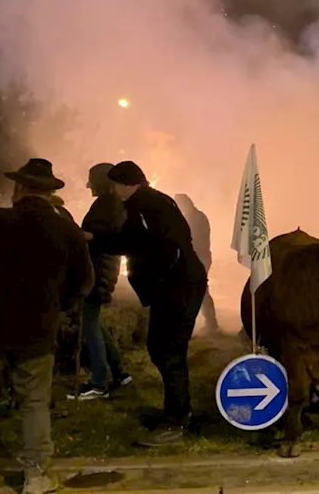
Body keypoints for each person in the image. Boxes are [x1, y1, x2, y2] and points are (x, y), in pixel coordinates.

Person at [0, 159, 93, 494]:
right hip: (38, 332)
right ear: (50, 192)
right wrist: (58, 306)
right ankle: (36, 477)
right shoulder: (65, 229)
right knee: (34, 404)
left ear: (19, 188)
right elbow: (84, 282)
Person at [108, 161, 209, 446]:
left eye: (115, 185)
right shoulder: (144, 205)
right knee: (160, 347)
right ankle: (177, 410)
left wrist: (158, 279)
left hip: (179, 286)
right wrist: (93, 240)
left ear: (127, 183)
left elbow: (169, 245)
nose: (113, 191)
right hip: (176, 285)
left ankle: (176, 420)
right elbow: (129, 241)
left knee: (168, 349)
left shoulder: (149, 205)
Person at [71, 164, 132, 400]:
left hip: (97, 272)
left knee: (90, 323)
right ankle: (120, 372)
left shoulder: (108, 204)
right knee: (94, 320)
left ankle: (98, 383)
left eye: (91, 181)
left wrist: (78, 234)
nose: (88, 186)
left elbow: (104, 236)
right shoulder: (111, 203)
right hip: (102, 270)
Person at [174, 193, 219, 335]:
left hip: (200, 258)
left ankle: (211, 323)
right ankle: (206, 322)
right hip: (195, 258)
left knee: (200, 290)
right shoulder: (191, 216)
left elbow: (194, 240)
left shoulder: (196, 218)